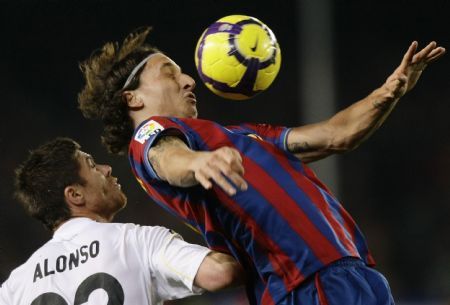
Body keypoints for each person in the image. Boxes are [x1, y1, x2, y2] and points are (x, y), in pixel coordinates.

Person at [77, 27, 445, 305]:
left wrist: (388, 93)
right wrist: (199, 162)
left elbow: (337, 135)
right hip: (302, 284)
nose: (189, 80)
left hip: (355, 273)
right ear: (132, 97)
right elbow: (168, 159)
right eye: (170, 73)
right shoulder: (148, 138)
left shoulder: (242, 136)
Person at [0, 137, 242, 305]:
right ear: (75, 195)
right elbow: (219, 272)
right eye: (92, 165)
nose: (106, 169)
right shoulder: (134, 241)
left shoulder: (14, 287)